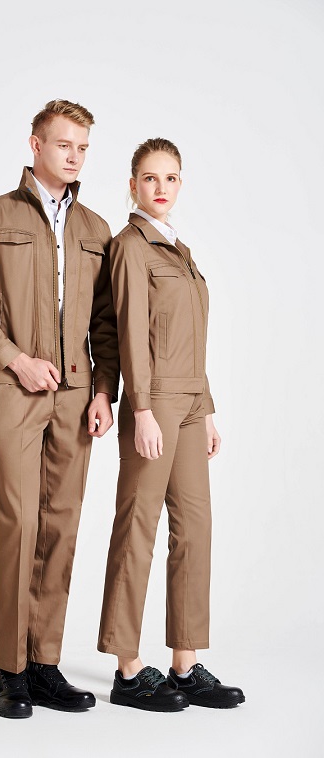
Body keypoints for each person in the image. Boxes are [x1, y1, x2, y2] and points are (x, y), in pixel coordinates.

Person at [0, 99, 119, 719]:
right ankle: (11, 670)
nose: (74, 156)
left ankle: (45, 663)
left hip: (76, 395)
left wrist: (103, 390)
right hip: (16, 389)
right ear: (35, 144)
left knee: (61, 527)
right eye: (64, 143)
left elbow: (106, 321)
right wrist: (15, 359)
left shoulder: (96, 229)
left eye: (83, 147)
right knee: (18, 523)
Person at [97, 138, 245, 712]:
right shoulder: (130, 247)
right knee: (138, 525)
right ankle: (128, 668)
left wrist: (205, 408)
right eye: (150, 178)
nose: (161, 188)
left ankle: (185, 662)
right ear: (133, 185)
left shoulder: (179, 250)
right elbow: (131, 331)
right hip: (154, 399)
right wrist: (139, 409)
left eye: (172, 178)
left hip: (188, 403)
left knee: (195, 527)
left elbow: (192, 339)